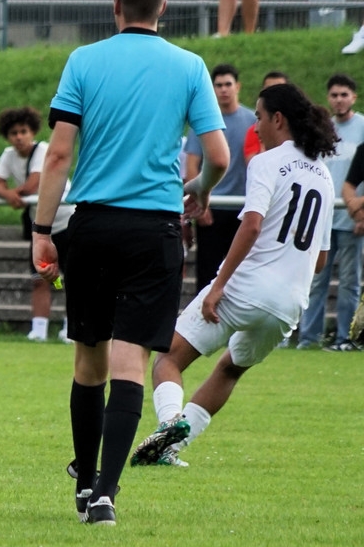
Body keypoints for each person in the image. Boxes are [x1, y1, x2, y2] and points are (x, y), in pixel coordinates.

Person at [32, 0, 229, 526]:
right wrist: (197, 189)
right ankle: (106, 496)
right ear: (163, 5)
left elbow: (60, 153)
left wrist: (44, 231)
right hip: (155, 230)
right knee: (130, 363)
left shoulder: (84, 61)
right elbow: (218, 156)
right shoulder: (190, 66)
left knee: (88, 361)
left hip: (92, 226)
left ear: (115, 4)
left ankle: (84, 479)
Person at [132, 83, 337, 466]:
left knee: (167, 358)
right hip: (289, 303)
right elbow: (322, 258)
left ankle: (169, 423)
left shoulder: (266, 161)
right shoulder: (324, 177)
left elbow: (252, 225)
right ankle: (171, 451)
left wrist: (220, 285)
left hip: (246, 288)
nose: (255, 127)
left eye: (259, 117)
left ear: (278, 119)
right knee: (229, 368)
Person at [0, 106, 74, 342]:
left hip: (66, 221)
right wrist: (10, 196)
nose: (18, 137)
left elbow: (34, 184)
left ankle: (70, 329)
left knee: (71, 279)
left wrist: (13, 194)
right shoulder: (9, 155)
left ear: (32, 132)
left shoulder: (43, 150)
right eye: (13, 133)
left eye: (23, 131)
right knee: (41, 279)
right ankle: (39, 330)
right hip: (42, 229)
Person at [297, 74, 364, 350]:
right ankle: (308, 337)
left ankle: (344, 339)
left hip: (352, 218)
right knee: (315, 280)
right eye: (334, 95)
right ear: (328, 98)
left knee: (350, 282)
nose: (339, 99)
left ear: (354, 97)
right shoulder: (323, 129)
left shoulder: (362, 127)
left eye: (344, 94)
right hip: (322, 218)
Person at [185, 64, 257, 292]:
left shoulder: (253, 121)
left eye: (228, 84)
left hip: (242, 208)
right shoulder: (203, 121)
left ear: (238, 86)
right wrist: (199, 200)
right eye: (218, 85)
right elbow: (192, 165)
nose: (224, 90)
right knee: (207, 273)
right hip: (211, 207)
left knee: (242, 274)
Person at [243, 70, 289, 164]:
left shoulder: (299, 129)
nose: (274, 94)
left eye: (279, 89)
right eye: (269, 89)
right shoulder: (255, 131)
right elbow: (253, 165)